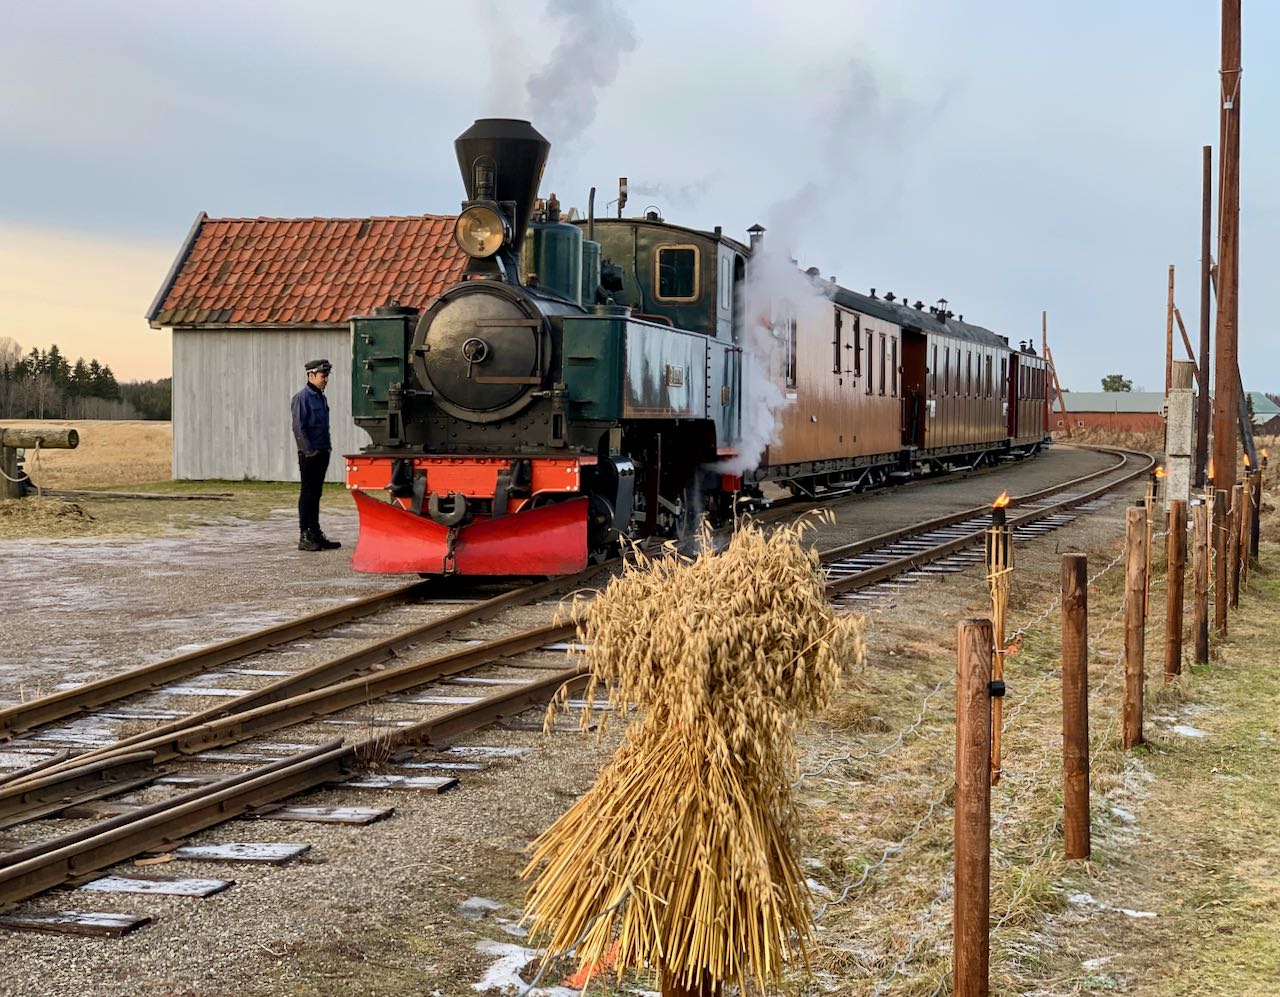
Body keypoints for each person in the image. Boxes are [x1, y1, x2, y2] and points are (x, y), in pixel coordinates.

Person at [290, 359, 342, 551]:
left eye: (327, 376)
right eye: (322, 375)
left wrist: (327, 448)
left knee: (317, 494)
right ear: (311, 375)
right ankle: (305, 535)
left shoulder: (321, 397)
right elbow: (298, 427)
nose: (325, 379)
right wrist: (308, 451)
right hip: (309, 454)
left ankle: (316, 532)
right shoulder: (302, 398)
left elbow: (323, 426)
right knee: (308, 493)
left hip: (322, 451)